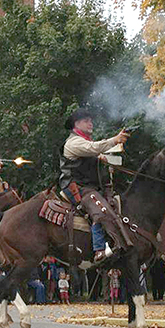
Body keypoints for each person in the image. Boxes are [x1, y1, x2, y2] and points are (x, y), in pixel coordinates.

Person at [58, 108, 131, 262]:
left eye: (91, 120)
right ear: (76, 125)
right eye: (86, 121)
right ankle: (99, 250)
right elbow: (93, 148)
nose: (91, 123)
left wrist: (103, 158)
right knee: (101, 209)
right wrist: (115, 140)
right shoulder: (73, 142)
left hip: (89, 188)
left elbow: (94, 150)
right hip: (76, 187)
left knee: (112, 204)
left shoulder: (84, 142)